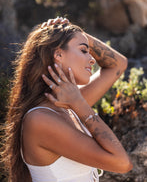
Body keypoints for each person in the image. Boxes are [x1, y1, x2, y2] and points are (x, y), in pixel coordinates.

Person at [2, 16, 133, 182]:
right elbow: (122, 164)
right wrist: (79, 104)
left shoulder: (66, 105)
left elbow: (118, 64)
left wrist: (73, 30)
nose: (92, 59)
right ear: (58, 54)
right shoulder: (41, 119)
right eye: (84, 51)